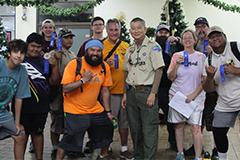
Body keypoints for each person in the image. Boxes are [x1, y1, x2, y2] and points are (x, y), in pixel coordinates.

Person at [56, 39, 117, 160]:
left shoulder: (104, 66)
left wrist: (108, 112)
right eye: (92, 50)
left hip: (94, 108)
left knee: (107, 127)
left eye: (99, 51)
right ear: (86, 51)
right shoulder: (74, 64)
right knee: (70, 137)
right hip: (74, 109)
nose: (95, 53)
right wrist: (83, 80)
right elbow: (65, 88)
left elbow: (105, 90)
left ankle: (102, 156)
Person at [11, 32, 60, 160]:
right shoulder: (19, 60)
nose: (35, 49)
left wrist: (54, 66)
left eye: (38, 47)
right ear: (27, 45)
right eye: (33, 46)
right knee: (22, 135)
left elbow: (54, 82)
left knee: (38, 134)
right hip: (22, 107)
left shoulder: (45, 62)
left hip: (41, 107)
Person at [121, 17, 165, 160]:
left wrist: (153, 93)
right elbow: (126, 72)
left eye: (139, 28)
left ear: (145, 30)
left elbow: (159, 70)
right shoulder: (130, 49)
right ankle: (138, 157)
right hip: (131, 93)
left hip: (146, 92)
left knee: (149, 129)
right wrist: (124, 94)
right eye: (133, 28)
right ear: (130, 31)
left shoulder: (153, 47)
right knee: (135, 129)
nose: (136, 31)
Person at [167, 29, 206, 160]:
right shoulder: (176, 56)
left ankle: (198, 156)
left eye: (190, 37)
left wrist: (193, 95)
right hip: (178, 96)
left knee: (195, 127)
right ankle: (180, 153)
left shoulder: (201, 57)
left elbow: (204, 80)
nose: (187, 40)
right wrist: (177, 63)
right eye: (185, 38)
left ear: (194, 40)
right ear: (182, 40)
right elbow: (171, 77)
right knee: (179, 125)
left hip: (195, 97)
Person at [203, 26, 240, 160]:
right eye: (212, 37)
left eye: (217, 35)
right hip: (225, 102)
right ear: (208, 41)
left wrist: (236, 70)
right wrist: (209, 77)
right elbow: (208, 89)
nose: (215, 39)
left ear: (224, 36)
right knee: (218, 132)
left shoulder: (236, 48)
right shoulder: (209, 60)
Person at [184, 17, 218, 160]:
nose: (201, 29)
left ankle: (216, 149)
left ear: (208, 27)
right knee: (198, 122)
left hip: (213, 89)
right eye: (198, 27)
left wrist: (213, 51)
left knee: (215, 121)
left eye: (203, 26)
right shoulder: (195, 44)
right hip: (198, 90)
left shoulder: (216, 43)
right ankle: (197, 147)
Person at [102, 18, 133, 160]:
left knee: (124, 123)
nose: (114, 32)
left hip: (125, 92)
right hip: (109, 92)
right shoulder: (101, 46)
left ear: (120, 30)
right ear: (106, 30)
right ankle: (106, 147)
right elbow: (94, 67)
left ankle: (124, 148)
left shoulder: (126, 46)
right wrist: (104, 64)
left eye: (116, 29)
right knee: (108, 122)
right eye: (111, 29)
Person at [0, 39, 30, 160]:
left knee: (20, 135)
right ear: (9, 53)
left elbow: (19, 98)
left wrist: (17, 123)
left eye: (22, 53)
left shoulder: (22, 71)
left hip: (3, 113)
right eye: (15, 52)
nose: (18, 55)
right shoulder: (1, 65)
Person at [49, 28, 77, 158]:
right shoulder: (55, 53)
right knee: (56, 121)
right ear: (60, 40)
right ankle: (55, 148)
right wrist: (54, 56)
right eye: (66, 38)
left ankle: (68, 147)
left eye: (71, 37)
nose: (69, 40)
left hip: (71, 94)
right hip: (58, 93)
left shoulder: (73, 54)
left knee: (69, 123)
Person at [155, 24, 183, 152]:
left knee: (170, 117)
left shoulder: (174, 47)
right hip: (153, 89)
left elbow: (184, 51)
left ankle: (173, 141)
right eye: (161, 32)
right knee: (151, 118)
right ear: (156, 33)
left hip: (168, 88)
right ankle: (151, 143)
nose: (163, 34)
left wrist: (177, 40)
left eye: (165, 33)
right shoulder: (152, 46)